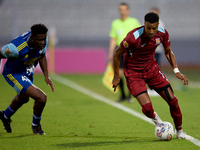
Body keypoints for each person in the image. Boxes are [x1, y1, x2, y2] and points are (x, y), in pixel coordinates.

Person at [112, 12, 194, 140]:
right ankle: (158, 121)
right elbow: (116, 54)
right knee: (147, 108)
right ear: (144, 24)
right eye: (148, 28)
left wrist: (176, 71)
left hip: (152, 70)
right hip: (134, 74)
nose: (151, 31)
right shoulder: (132, 38)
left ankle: (180, 132)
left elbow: (168, 52)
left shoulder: (163, 34)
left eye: (154, 28)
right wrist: (117, 76)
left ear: (157, 25)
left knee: (173, 101)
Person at [0, 24, 55, 135]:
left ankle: (4, 115)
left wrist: (46, 75)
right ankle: (36, 127)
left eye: (44, 39)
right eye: (40, 40)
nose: (43, 42)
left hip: (26, 72)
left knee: (23, 98)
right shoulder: (15, 48)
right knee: (41, 98)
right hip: (13, 73)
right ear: (32, 37)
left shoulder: (44, 41)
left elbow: (42, 55)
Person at [108, 2, 141, 103]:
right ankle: (122, 95)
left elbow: (140, 35)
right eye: (120, 9)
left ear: (128, 11)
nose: (122, 11)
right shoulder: (115, 23)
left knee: (130, 74)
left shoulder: (134, 22)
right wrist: (110, 52)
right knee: (119, 74)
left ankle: (129, 96)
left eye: (124, 9)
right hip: (119, 50)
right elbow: (113, 38)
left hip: (131, 50)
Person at [147, 7, 165, 97]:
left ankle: (157, 88)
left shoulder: (160, 24)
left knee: (155, 69)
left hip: (156, 50)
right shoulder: (148, 23)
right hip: (149, 50)